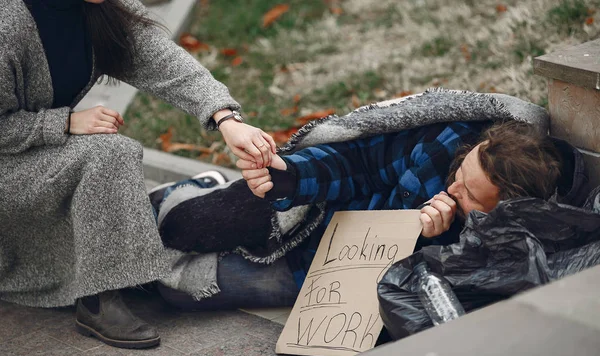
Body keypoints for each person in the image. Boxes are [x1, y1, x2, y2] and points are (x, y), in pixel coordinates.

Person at [0, 0, 276, 349]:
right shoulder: (7, 21)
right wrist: (63, 122)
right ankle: (99, 298)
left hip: (32, 156)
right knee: (110, 153)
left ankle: (112, 270)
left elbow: (166, 63)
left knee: (109, 153)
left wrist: (226, 119)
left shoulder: (102, 8)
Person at [156, 118, 567, 310]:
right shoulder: (447, 141)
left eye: (470, 194)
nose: (452, 188)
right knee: (181, 226)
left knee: (175, 291)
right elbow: (362, 161)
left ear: (507, 210)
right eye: (460, 173)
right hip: (314, 212)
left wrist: (426, 240)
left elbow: (422, 305)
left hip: (332, 274)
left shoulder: (516, 245)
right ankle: (199, 190)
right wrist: (292, 177)